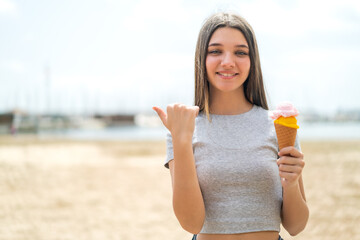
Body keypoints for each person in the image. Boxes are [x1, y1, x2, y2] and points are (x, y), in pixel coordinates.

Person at [153, 12, 309, 240]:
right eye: (215, 51)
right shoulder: (183, 128)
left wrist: (291, 183)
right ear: (202, 59)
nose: (228, 61)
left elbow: (296, 226)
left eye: (240, 52)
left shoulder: (278, 125)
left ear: (252, 61)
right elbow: (191, 223)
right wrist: (181, 139)